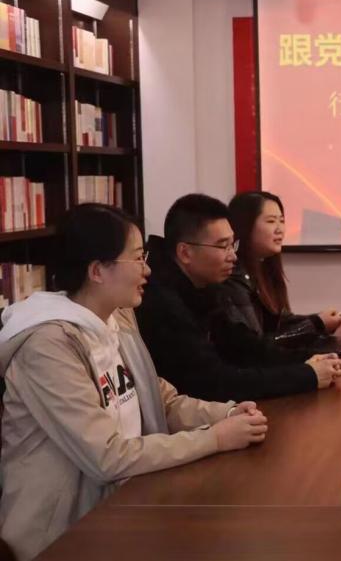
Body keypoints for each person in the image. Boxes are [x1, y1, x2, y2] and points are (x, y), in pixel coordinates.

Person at [0, 204, 268, 561]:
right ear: (97, 270)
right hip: (63, 535)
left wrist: (227, 414)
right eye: (139, 258)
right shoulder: (48, 346)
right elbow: (107, 456)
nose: (148, 270)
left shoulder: (118, 317)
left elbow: (159, 399)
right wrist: (215, 438)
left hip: (127, 504)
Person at [136, 194, 341, 402]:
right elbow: (214, 382)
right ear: (185, 253)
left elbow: (244, 347)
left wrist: (309, 360)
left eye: (232, 245)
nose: (233, 256)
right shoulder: (161, 302)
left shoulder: (202, 285)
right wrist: (307, 375)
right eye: (223, 246)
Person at [220, 191, 341, 352]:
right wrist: (317, 324)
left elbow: (281, 322)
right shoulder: (234, 276)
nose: (280, 229)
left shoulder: (264, 267)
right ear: (245, 226)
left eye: (282, 221)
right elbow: (257, 346)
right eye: (271, 221)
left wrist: (319, 320)